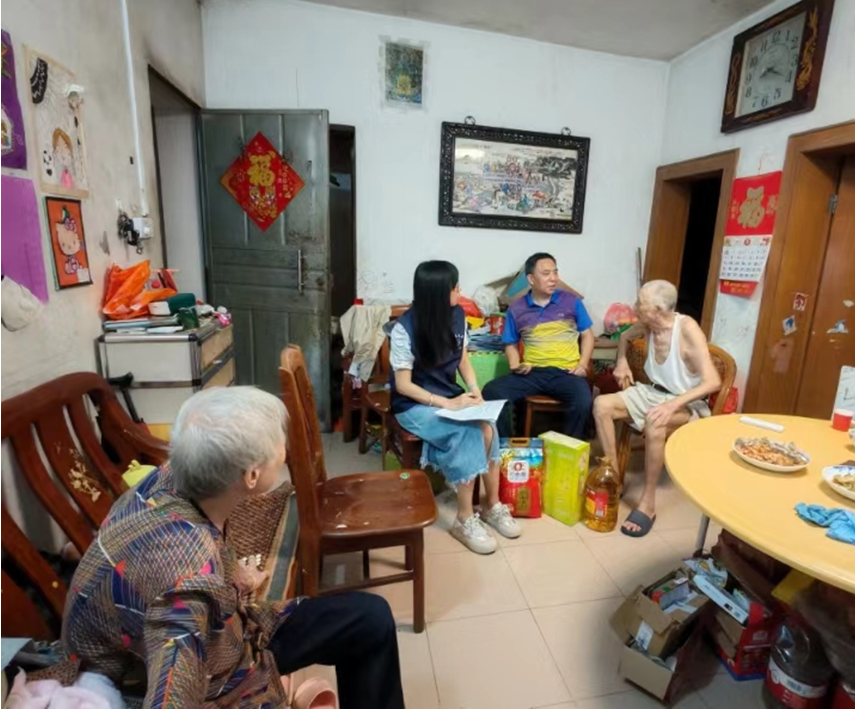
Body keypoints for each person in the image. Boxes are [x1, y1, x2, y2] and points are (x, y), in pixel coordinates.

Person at [62, 387, 405, 709]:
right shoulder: (189, 583)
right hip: (181, 674)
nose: (285, 451)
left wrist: (236, 574)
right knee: (364, 626)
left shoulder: (171, 477)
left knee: (369, 617)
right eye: (279, 446)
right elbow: (171, 696)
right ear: (251, 476)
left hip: (226, 629)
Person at [392, 260, 522, 555]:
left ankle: (491, 505)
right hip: (414, 405)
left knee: (488, 425)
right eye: (455, 287)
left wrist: (475, 391)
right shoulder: (405, 329)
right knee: (469, 431)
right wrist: (447, 403)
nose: (460, 291)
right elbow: (403, 385)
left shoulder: (457, 315)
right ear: (439, 293)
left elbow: (462, 359)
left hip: (448, 396)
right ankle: (464, 519)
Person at [593, 280, 722, 538]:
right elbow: (625, 337)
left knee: (655, 420)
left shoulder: (687, 329)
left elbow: (713, 382)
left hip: (684, 401)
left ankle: (648, 503)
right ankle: (614, 478)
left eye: (640, 303)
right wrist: (622, 362)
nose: (634, 307)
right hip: (651, 392)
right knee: (601, 404)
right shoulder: (648, 324)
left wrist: (672, 404)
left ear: (658, 309)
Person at [483, 253, 596, 439]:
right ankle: (506, 444)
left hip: (565, 372)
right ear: (531, 279)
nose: (553, 278)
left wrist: (583, 364)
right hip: (532, 372)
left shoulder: (572, 302)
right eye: (546, 273)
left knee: (583, 400)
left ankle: (569, 448)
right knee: (492, 391)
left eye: (555, 272)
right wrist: (515, 365)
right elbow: (510, 343)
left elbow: (588, 335)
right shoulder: (516, 308)